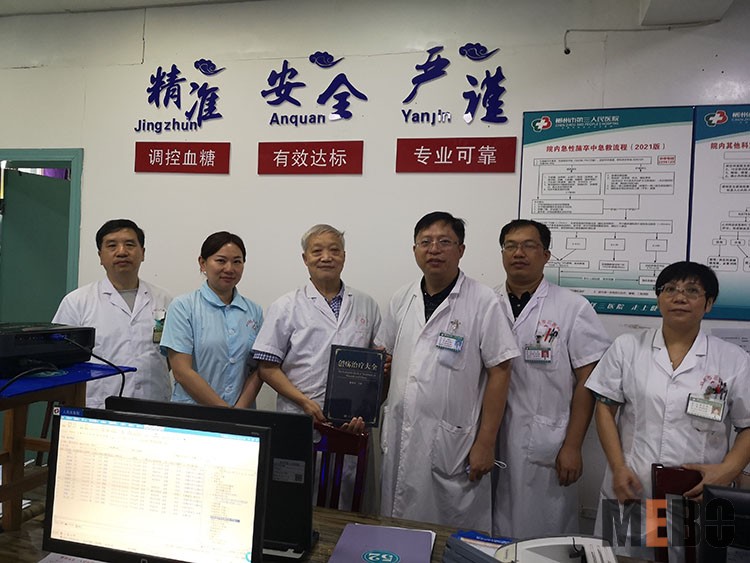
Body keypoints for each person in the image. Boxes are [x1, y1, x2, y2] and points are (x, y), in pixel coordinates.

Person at [585, 261, 750, 558]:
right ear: (658, 298)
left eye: (692, 291)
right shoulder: (627, 347)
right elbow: (605, 409)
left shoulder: (732, 359)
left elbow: (747, 425)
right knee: (626, 558)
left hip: (699, 493)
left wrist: (727, 471)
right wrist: (619, 468)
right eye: (670, 289)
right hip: (632, 488)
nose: (679, 297)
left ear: (708, 303)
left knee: (698, 558)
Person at [376, 211, 519, 531]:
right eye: (425, 242)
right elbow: (386, 357)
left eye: (444, 242)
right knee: (398, 531)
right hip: (401, 434)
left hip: (454, 443)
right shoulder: (401, 298)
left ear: (461, 250)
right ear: (414, 249)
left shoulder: (483, 301)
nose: (434, 249)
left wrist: (486, 443)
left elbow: (501, 370)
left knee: (448, 534)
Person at [492, 219, 611, 538]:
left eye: (529, 246)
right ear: (502, 254)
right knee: (488, 535)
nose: (519, 253)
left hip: (547, 442)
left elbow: (588, 380)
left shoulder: (572, 308)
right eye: (510, 246)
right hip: (489, 439)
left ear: (546, 255)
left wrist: (573, 445)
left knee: (543, 536)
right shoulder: (486, 304)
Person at [252, 224, 381, 508]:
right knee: (293, 504)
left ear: (344, 256)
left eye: (334, 250)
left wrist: (366, 408)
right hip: (300, 420)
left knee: (345, 502)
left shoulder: (367, 305)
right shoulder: (286, 306)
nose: (326, 257)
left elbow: (378, 365)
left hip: (351, 426)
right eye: (317, 251)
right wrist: (305, 403)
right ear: (305, 258)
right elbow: (267, 367)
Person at [52, 219, 172, 408]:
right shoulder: (77, 302)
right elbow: (59, 358)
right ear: (100, 256)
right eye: (112, 245)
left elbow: (172, 357)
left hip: (154, 404)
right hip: (97, 406)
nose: (122, 252)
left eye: (130, 244)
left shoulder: (164, 299)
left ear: (143, 253)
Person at [160, 231, 263, 407]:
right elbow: (182, 372)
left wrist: (239, 412)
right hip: (193, 414)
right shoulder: (183, 307)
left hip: (241, 414)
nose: (229, 269)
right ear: (203, 263)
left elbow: (259, 369)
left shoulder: (254, 311)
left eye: (237, 261)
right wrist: (225, 413)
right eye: (221, 261)